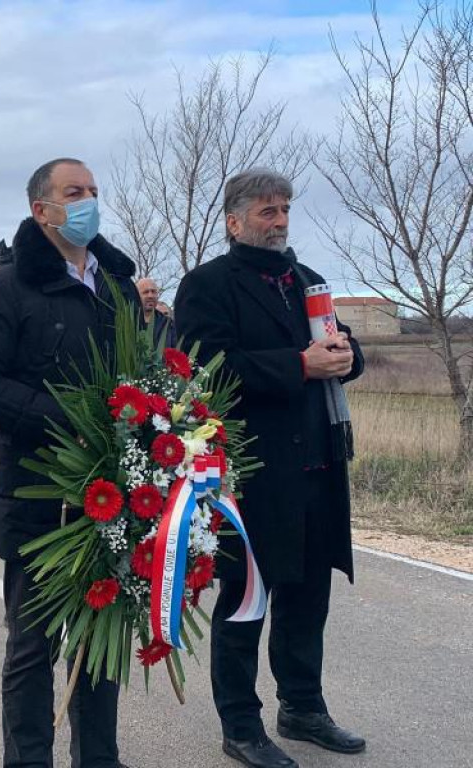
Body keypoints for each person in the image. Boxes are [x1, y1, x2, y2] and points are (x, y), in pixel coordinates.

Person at [0, 158, 140, 768]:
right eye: (72, 193)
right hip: (38, 496)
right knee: (33, 649)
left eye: (92, 191)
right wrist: (69, 419)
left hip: (110, 496)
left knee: (100, 642)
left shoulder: (114, 285)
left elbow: (138, 376)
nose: (87, 202)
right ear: (42, 210)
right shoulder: (3, 286)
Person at [174, 168, 366, 768]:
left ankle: (302, 706)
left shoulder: (308, 282)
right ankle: (240, 723)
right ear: (234, 221)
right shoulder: (207, 285)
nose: (280, 221)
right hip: (252, 474)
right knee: (246, 599)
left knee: (310, 596)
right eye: (267, 211)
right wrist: (299, 366)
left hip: (318, 466)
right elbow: (204, 368)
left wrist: (346, 357)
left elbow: (342, 348)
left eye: (285, 209)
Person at [136, 276, 176, 347]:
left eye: (153, 292)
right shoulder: (129, 323)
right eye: (145, 292)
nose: (150, 295)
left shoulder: (169, 325)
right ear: (136, 295)